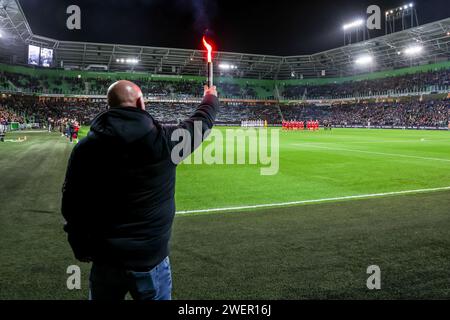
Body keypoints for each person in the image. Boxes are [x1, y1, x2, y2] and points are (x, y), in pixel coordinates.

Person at [61, 80, 219, 300]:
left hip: (106, 259)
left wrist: (80, 247)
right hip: (150, 259)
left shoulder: (85, 149)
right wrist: (210, 97)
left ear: (108, 106)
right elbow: (201, 124)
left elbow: (71, 206)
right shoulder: (164, 141)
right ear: (140, 102)